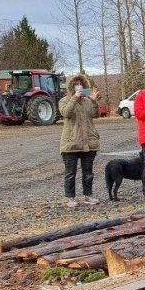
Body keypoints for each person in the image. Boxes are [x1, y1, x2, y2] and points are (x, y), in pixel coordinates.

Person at [58, 74, 101, 208]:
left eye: (81, 84)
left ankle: (88, 195)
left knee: (88, 172)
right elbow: (66, 113)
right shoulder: (64, 100)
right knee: (70, 173)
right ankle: (70, 198)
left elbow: (96, 115)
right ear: (71, 87)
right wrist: (75, 98)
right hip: (71, 142)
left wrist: (94, 101)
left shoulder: (88, 101)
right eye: (76, 85)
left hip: (88, 142)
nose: (79, 87)